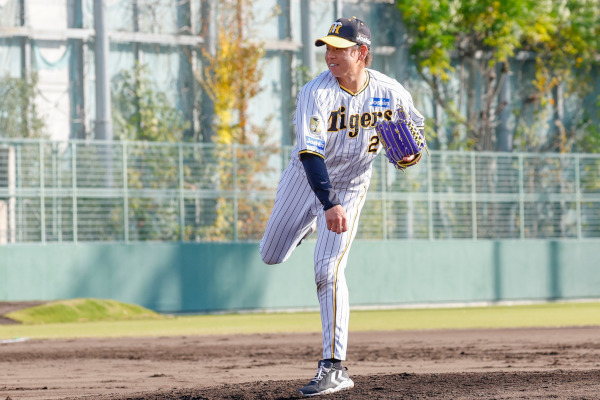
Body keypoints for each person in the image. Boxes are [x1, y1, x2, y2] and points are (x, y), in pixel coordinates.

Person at [260, 16, 425, 397]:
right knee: (270, 254)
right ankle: (308, 223)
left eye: (339, 48)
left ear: (361, 53)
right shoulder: (315, 93)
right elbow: (309, 153)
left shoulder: (390, 91)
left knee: (328, 269)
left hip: (351, 185)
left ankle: (333, 367)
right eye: (328, 48)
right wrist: (327, 204)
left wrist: (407, 155)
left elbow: (413, 139)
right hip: (305, 180)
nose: (330, 55)